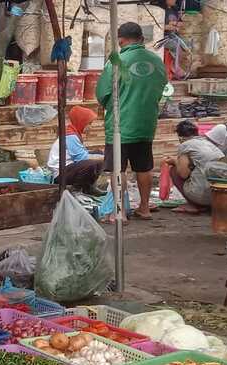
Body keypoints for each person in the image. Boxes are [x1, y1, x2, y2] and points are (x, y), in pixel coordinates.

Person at [96, 22, 168, 220]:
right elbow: (163, 86)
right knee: (143, 167)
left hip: (120, 124)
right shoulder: (157, 61)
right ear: (141, 38)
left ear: (120, 39)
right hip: (145, 123)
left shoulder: (116, 61)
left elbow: (102, 93)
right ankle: (144, 207)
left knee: (118, 169)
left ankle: (119, 213)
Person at [163, 120, 224, 214]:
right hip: (220, 196)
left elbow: (183, 174)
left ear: (180, 137)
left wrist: (175, 161)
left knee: (174, 170)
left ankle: (193, 204)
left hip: (204, 197)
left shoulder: (185, 145)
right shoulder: (208, 143)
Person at [47, 106, 104, 193]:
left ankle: (88, 187)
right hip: (60, 175)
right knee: (92, 163)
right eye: (89, 123)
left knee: (98, 153)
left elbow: (81, 153)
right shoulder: (71, 136)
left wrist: (101, 155)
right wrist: (105, 157)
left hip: (68, 168)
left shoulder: (74, 133)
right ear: (81, 122)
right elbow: (81, 158)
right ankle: (76, 190)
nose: (90, 127)